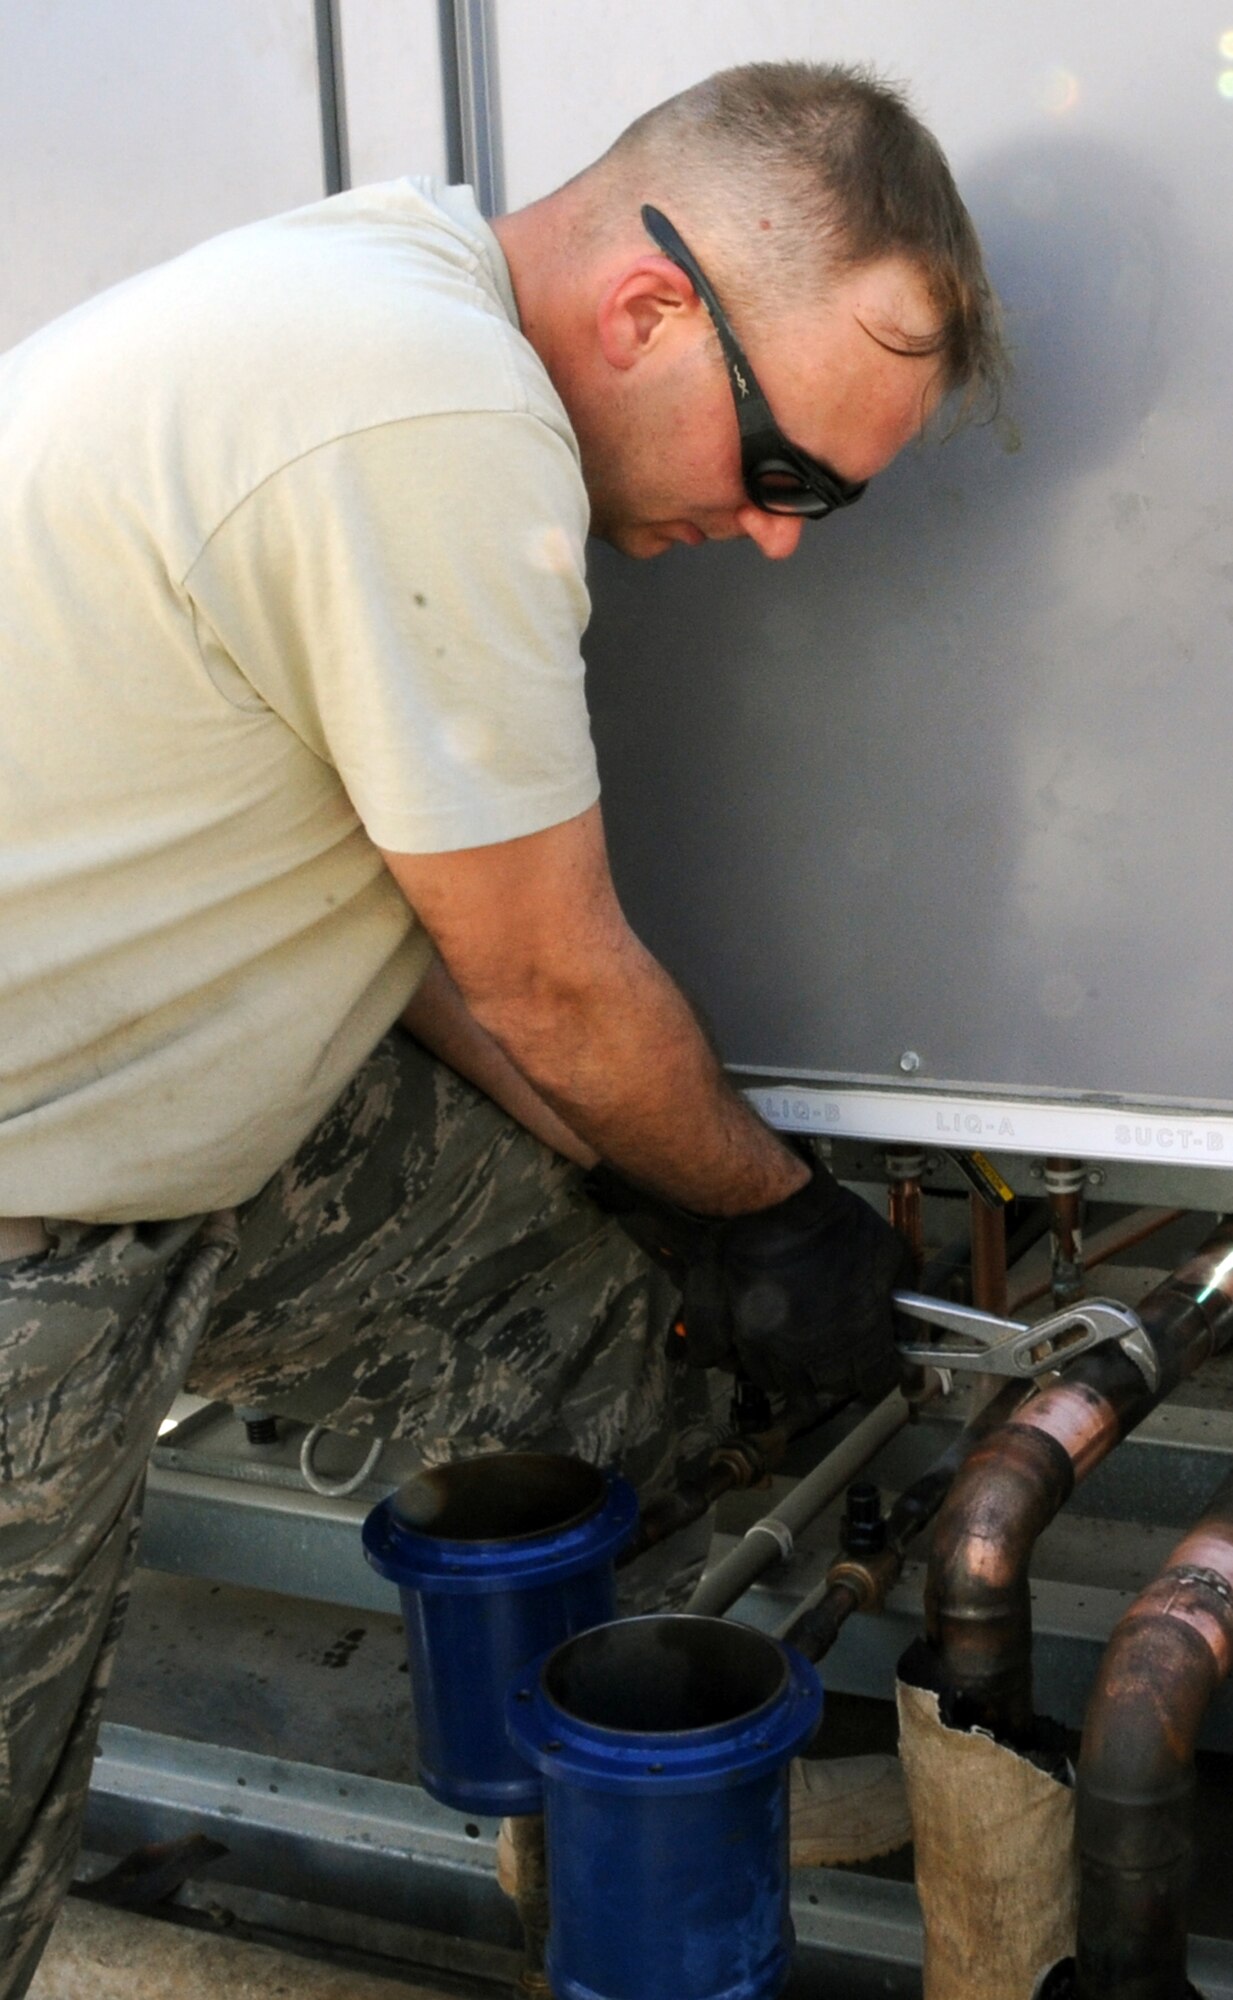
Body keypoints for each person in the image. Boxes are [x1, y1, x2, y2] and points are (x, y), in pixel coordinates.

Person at [0, 59, 1005, 1996]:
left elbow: (430, 923)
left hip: (137, 1105)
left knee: (544, 1299)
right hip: (27, 1197)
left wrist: (618, 1166)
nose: (780, 537)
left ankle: (651, 1723)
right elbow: (551, 974)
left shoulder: (382, 278)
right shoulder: (433, 410)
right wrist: (768, 1209)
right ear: (649, 311)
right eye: (784, 471)